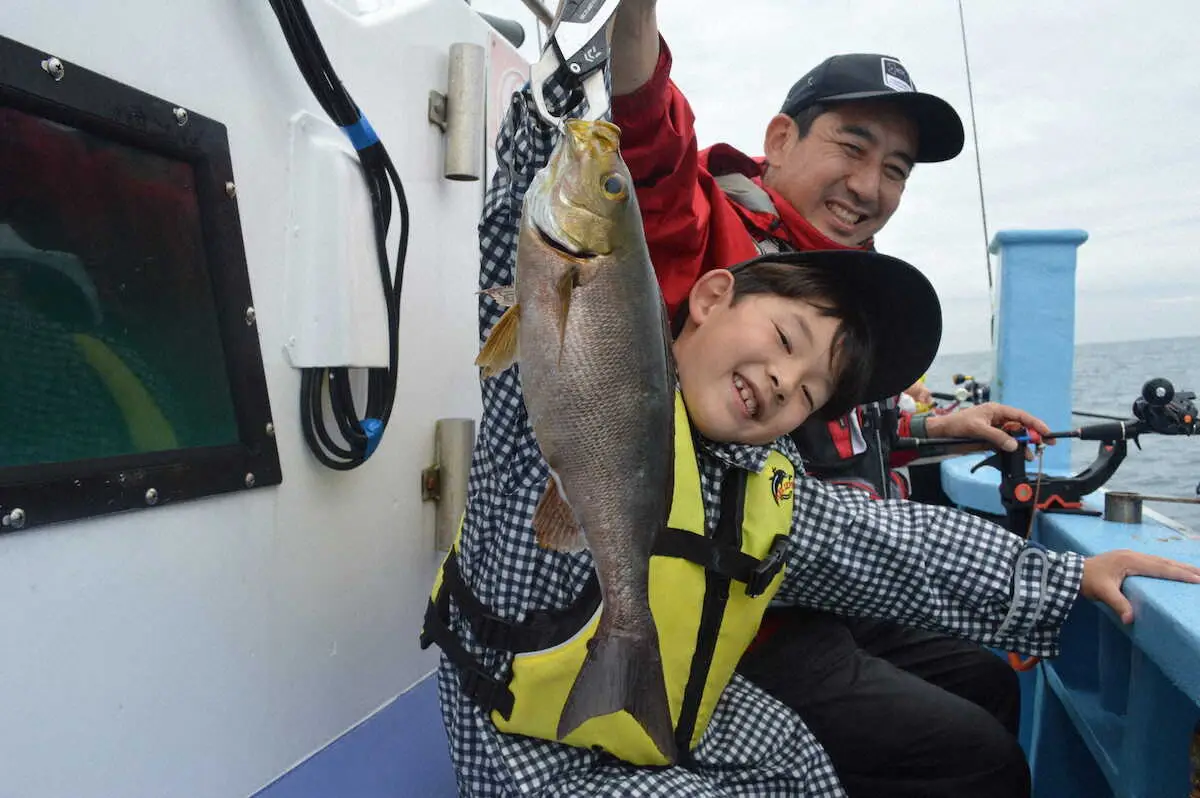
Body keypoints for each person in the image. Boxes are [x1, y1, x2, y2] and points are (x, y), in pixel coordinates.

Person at [423, 66, 1200, 798]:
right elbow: (538, 222)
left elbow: (892, 545)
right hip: (528, 751)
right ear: (707, 297)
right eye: (787, 343)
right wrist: (545, 109)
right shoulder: (558, 386)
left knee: (829, 758)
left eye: (811, 391)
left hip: (673, 701)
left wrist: (1062, 579)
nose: (783, 383)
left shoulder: (761, 485)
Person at [604, 3, 1053, 794]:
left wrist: (939, 426)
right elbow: (648, 140)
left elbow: (847, 427)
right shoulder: (712, 231)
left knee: (989, 682)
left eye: (895, 170)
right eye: (854, 145)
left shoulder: (854, 285)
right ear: (780, 140)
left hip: (826, 590)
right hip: (742, 612)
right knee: (975, 757)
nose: (868, 186)